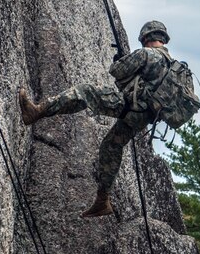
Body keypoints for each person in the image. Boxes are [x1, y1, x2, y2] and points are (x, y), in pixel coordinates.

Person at [19, 21, 173, 218]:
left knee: (85, 92)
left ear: (146, 38)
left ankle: (37, 111)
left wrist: (120, 60)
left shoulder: (146, 54)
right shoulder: (173, 64)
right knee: (111, 146)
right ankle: (102, 200)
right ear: (162, 39)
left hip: (130, 105)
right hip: (143, 118)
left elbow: (117, 71)